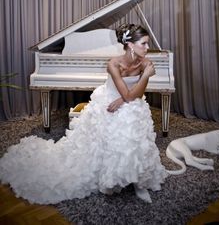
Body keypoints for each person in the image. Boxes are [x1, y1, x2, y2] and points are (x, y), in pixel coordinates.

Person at [0, 23, 167, 204]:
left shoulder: (145, 63)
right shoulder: (113, 63)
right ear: (130, 45)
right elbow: (127, 93)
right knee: (121, 122)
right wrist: (144, 78)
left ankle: (139, 181)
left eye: (147, 43)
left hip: (131, 103)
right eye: (143, 43)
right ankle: (109, 172)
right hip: (110, 101)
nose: (148, 48)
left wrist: (127, 95)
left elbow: (137, 95)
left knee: (133, 120)